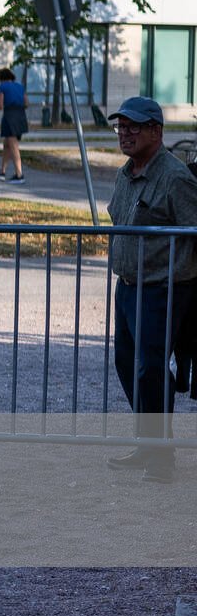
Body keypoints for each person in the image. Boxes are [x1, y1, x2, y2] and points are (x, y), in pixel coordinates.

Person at [104, 97, 197, 484]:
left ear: (156, 132)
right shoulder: (126, 172)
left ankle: (161, 456)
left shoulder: (175, 178)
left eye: (134, 127)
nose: (125, 133)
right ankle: (151, 441)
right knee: (128, 365)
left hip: (164, 289)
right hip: (128, 286)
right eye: (121, 127)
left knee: (152, 369)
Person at [0, 70, 27, 184]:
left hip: (9, 116)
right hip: (21, 116)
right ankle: (2, 171)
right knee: (7, 144)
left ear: (1, 78)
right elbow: (26, 103)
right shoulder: (20, 87)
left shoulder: (2, 87)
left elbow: (0, 106)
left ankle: (19, 174)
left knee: (13, 146)